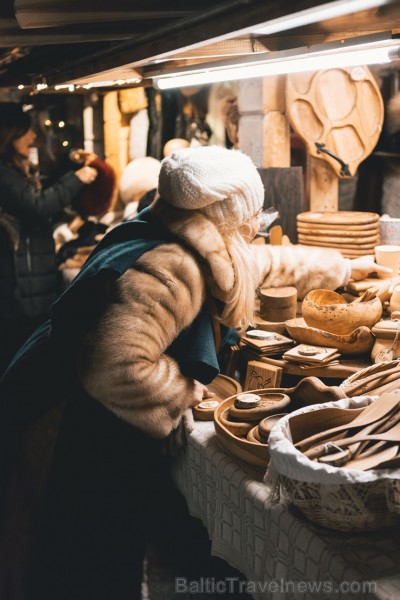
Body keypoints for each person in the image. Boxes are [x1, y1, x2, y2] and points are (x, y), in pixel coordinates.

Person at [0, 146, 389, 600]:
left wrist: (342, 268)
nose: (257, 224)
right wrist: (187, 390)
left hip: (79, 398)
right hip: (74, 423)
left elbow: (258, 264)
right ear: (224, 213)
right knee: (85, 561)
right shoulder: (171, 266)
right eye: (251, 214)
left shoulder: (176, 228)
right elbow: (115, 368)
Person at [0, 102, 98, 375]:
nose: (32, 137)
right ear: (8, 137)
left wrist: (71, 162)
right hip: (20, 286)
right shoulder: (4, 175)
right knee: (19, 360)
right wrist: (77, 178)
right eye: (26, 132)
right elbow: (37, 205)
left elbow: (42, 187)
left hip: (30, 281)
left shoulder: (16, 170)